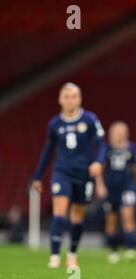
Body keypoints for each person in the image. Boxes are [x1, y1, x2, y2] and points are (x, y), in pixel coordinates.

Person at [32, 82, 107, 268]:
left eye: (74, 96)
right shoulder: (55, 124)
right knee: (59, 211)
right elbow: (48, 151)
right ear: (60, 99)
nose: (70, 100)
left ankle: (72, 254)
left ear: (80, 99)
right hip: (62, 172)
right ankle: (55, 256)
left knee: (77, 215)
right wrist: (37, 176)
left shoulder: (90, 119)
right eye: (66, 96)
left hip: (83, 174)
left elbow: (102, 144)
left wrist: (98, 161)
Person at [103, 121, 136, 264]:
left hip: (127, 188)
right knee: (111, 221)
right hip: (111, 189)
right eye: (116, 131)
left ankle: (130, 249)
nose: (119, 134)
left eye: (121, 131)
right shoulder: (106, 149)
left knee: (128, 217)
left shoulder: (132, 148)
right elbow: (100, 168)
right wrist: (99, 185)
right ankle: (114, 251)